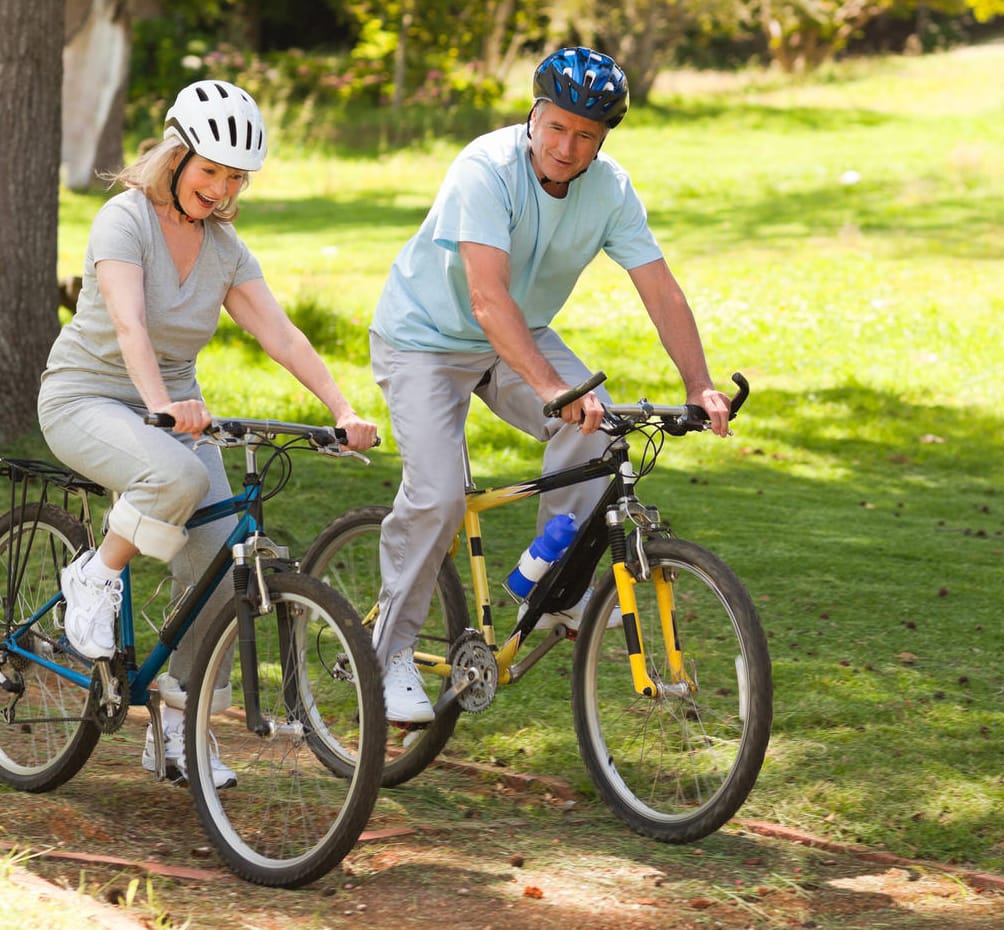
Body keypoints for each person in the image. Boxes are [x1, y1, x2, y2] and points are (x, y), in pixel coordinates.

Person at [368, 47, 732, 723]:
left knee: (602, 434)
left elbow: (660, 288)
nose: (566, 147)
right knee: (438, 495)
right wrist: (552, 389)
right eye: (557, 126)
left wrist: (699, 383)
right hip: (424, 339)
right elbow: (485, 298)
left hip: (519, 333)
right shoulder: (484, 169)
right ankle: (387, 653)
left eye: (585, 136)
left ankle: (549, 586)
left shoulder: (610, 189)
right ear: (534, 115)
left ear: (602, 140)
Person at [37, 79, 378, 787]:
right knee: (179, 476)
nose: (220, 189)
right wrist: (161, 406)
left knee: (222, 562)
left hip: (172, 408)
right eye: (210, 170)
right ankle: (94, 575)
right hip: (87, 396)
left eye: (234, 177)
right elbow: (130, 324)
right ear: (175, 154)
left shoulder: (224, 248)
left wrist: (343, 410)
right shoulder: (124, 220)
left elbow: (281, 335)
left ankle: (178, 730)